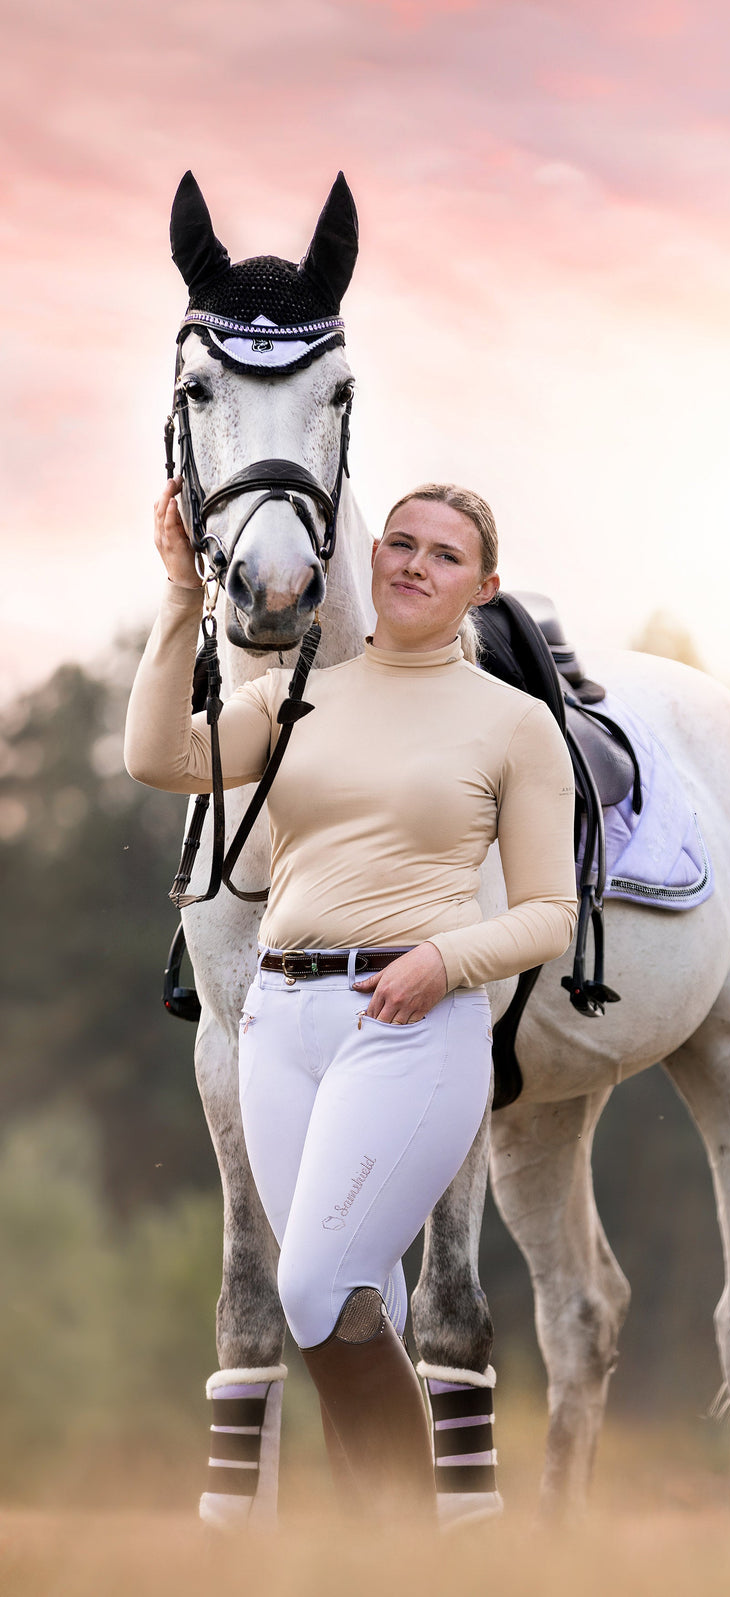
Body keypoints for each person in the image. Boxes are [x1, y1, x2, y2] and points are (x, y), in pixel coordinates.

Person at [124, 480, 577, 1519]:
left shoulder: (513, 724)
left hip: (409, 1023)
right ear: (370, 556)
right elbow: (156, 758)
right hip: (278, 1023)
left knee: (311, 1290)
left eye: (445, 555)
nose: (414, 564)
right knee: (349, 1295)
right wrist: (174, 593)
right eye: (402, 543)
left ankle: (416, 1557)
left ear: (484, 587)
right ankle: (380, 1555)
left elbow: (550, 911)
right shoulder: (295, 692)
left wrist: (445, 961)